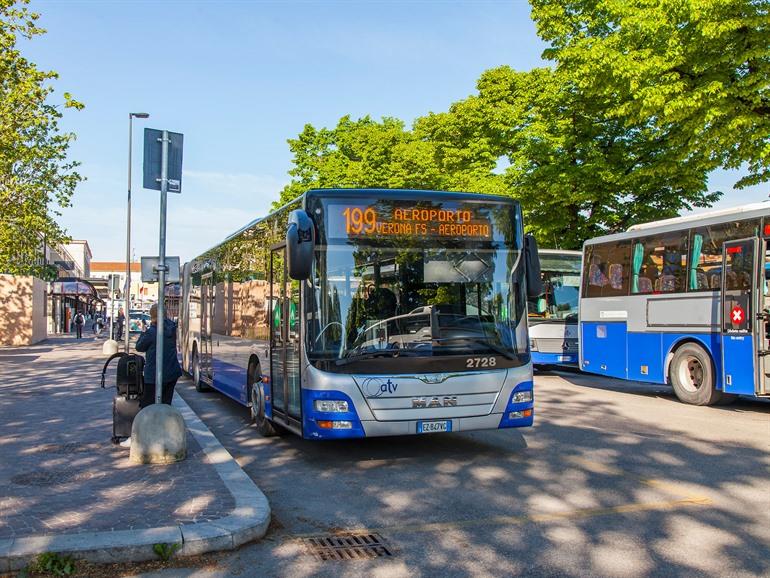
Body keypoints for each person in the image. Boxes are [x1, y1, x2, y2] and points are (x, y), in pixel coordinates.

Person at [135, 304, 183, 409]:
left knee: (147, 407)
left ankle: (150, 425)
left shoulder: (152, 332)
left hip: (154, 375)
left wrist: (143, 332)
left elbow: (139, 347)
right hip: (172, 372)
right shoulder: (171, 328)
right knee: (166, 404)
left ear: (152, 316)